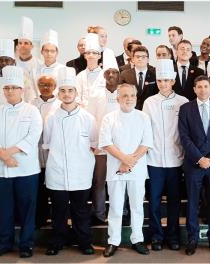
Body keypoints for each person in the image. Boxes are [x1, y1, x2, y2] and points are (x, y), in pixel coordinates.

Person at [0, 66, 43, 258]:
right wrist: (3, 155)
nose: (10, 91)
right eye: (7, 87)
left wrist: (8, 153)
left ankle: (26, 244)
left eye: (14, 87)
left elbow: (33, 136)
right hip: (1, 171)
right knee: (4, 209)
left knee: (27, 210)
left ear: (22, 90)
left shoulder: (32, 111)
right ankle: (4, 243)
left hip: (26, 169)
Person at [42, 67, 96, 256]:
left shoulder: (88, 118)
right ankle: (57, 242)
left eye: (70, 90)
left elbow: (94, 144)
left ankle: (84, 242)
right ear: (58, 94)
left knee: (81, 211)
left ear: (76, 93)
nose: (66, 94)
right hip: (57, 172)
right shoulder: (51, 118)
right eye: (63, 91)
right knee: (58, 211)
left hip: (81, 172)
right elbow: (47, 144)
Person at [100, 83, 152, 257]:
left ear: (136, 98)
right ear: (118, 99)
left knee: (137, 206)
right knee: (115, 207)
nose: (129, 99)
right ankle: (113, 241)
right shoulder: (109, 118)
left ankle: (137, 239)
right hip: (116, 169)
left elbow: (146, 144)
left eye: (132, 95)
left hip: (136, 169)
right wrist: (124, 160)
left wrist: (129, 162)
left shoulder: (143, 117)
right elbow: (106, 143)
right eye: (125, 96)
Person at [179, 75, 210, 256]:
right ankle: (192, 239)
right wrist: (200, 158)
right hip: (194, 164)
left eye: (206, 86)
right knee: (193, 203)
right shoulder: (185, 109)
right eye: (199, 87)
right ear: (194, 89)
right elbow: (184, 137)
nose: (203, 90)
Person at [142, 59, 188, 251]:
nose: (163, 84)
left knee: (174, 202)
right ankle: (156, 236)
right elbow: (145, 131)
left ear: (173, 81)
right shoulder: (149, 102)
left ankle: (173, 236)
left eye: (166, 80)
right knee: (154, 201)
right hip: (153, 160)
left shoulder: (183, 102)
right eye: (160, 80)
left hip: (176, 160)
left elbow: (186, 132)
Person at [86, 51, 121, 226]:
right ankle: (99, 214)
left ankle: (121, 213)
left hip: (121, 149)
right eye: (108, 72)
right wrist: (93, 144)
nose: (112, 75)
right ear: (103, 74)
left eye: (115, 72)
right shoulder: (95, 95)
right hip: (100, 147)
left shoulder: (124, 93)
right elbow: (90, 119)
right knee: (99, 183)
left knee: (119, 182)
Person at [30, 74, 60, 228]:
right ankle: (40, 219)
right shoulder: (31, 104)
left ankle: (56, 220)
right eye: (42, 84)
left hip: (54, 154)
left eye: (49, 85)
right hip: (35, 153)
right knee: (39, 190)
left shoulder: (60, 104)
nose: (45, 87)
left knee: (55, 190)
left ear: (54, 87)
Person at [27, 30, 64, 102]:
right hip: (38, 106)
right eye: (46, 50)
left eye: (52, 51)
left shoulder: (63, 70)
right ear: (41, 52)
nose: (49, 54)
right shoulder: (34, 71)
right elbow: (31, 92)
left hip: (57, 107)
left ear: (57, 53)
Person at [118, 46, 158, 110]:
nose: (140, 59)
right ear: (132, 59)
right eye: (137, 57)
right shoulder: (124, 75)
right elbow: (120, 93)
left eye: (143, 57)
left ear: (148, 60)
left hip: (150, 109)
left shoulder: (155, 75)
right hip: (130, 110)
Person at [75, 33, 104, 107]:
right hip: (83, 113)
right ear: (85, 56)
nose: (91, 55)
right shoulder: (80, 76)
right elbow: (76, 97)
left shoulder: (105, 75)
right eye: (88, 53)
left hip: (101, 112)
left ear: (99, 56)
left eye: (94, 53)